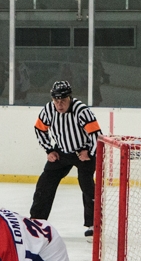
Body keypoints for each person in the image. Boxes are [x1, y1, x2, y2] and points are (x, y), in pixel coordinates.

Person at [29, 80, 102, 241]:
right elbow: (39, 129)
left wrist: (89, 152)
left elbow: (97, 135)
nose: (59, 104)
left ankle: (93, 225)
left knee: (87, 185)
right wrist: (49, 150)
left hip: (83, 152)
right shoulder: (49, 109)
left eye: (63, 100)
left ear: (70, 97)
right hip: (61, 152)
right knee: (45, 182)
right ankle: (37, 222)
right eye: (56, 100)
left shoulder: (81, 110)